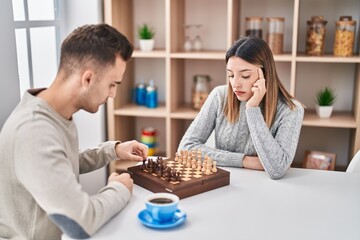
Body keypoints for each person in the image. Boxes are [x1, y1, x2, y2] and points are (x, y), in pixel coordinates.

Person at [0, 24, 148, 239]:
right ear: (87, 79)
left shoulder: (53, 111)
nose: (113, 94)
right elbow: (79, 224)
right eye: (112, 84)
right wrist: (119, 189)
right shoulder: (34, 130)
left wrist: (113, 150)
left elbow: (61, 162)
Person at [178, 36, 304, 180]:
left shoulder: (291, 110)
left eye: (245, 76)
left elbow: (278, 169)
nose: (235, 84)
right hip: (224, 183)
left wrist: (252, 109)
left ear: (265, 74)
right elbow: (185, 148)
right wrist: (244, 161)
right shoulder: (220, 96)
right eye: (231, 75)